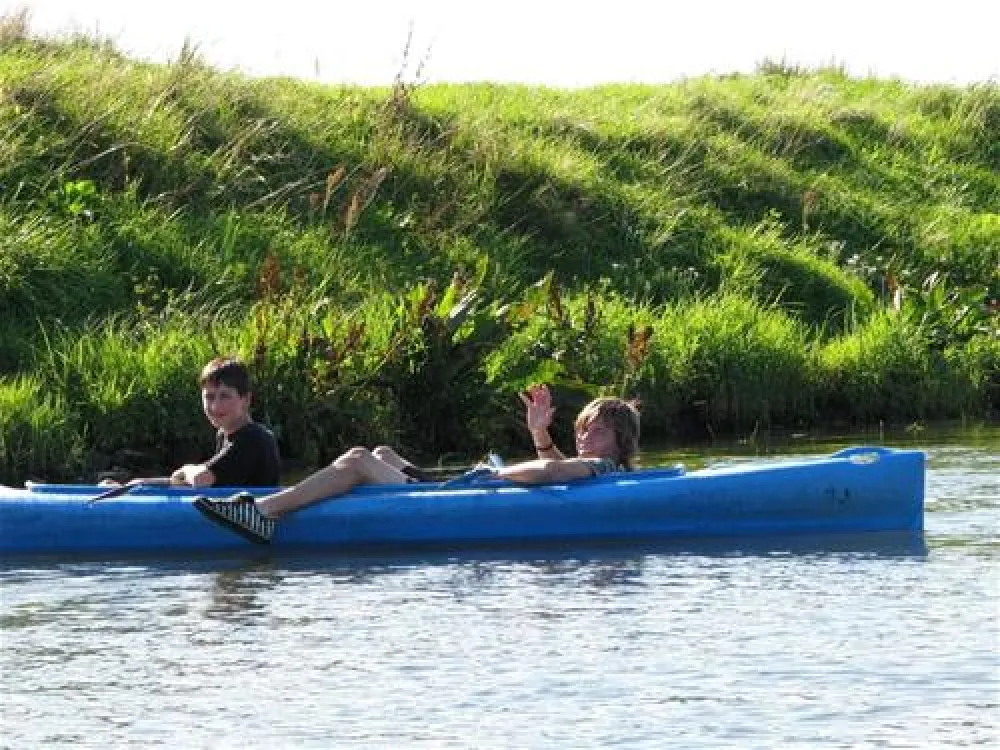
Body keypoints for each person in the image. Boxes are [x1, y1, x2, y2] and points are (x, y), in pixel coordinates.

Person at [193, 384, 640, 544]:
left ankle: (263, 513)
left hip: (465, 500)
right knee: (386, 453)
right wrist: (541, 434)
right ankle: (305, 502)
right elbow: (566, 464)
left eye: (595, 431)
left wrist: (497, 473)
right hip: (463, 492)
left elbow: (556, 472)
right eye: (581, 428)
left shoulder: (601, 469)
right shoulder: (604, 470)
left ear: (620, 443)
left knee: (359, 459)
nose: (583, 436)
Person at [101, 357, 281, 489]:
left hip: (255, 524)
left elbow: (201, 479)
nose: (215, 405)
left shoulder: (253, 438)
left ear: (246, 400)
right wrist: (130, 487)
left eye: (225, 396)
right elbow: (189, 484)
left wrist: (187, 468)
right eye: (209, 397)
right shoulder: (224, 434)